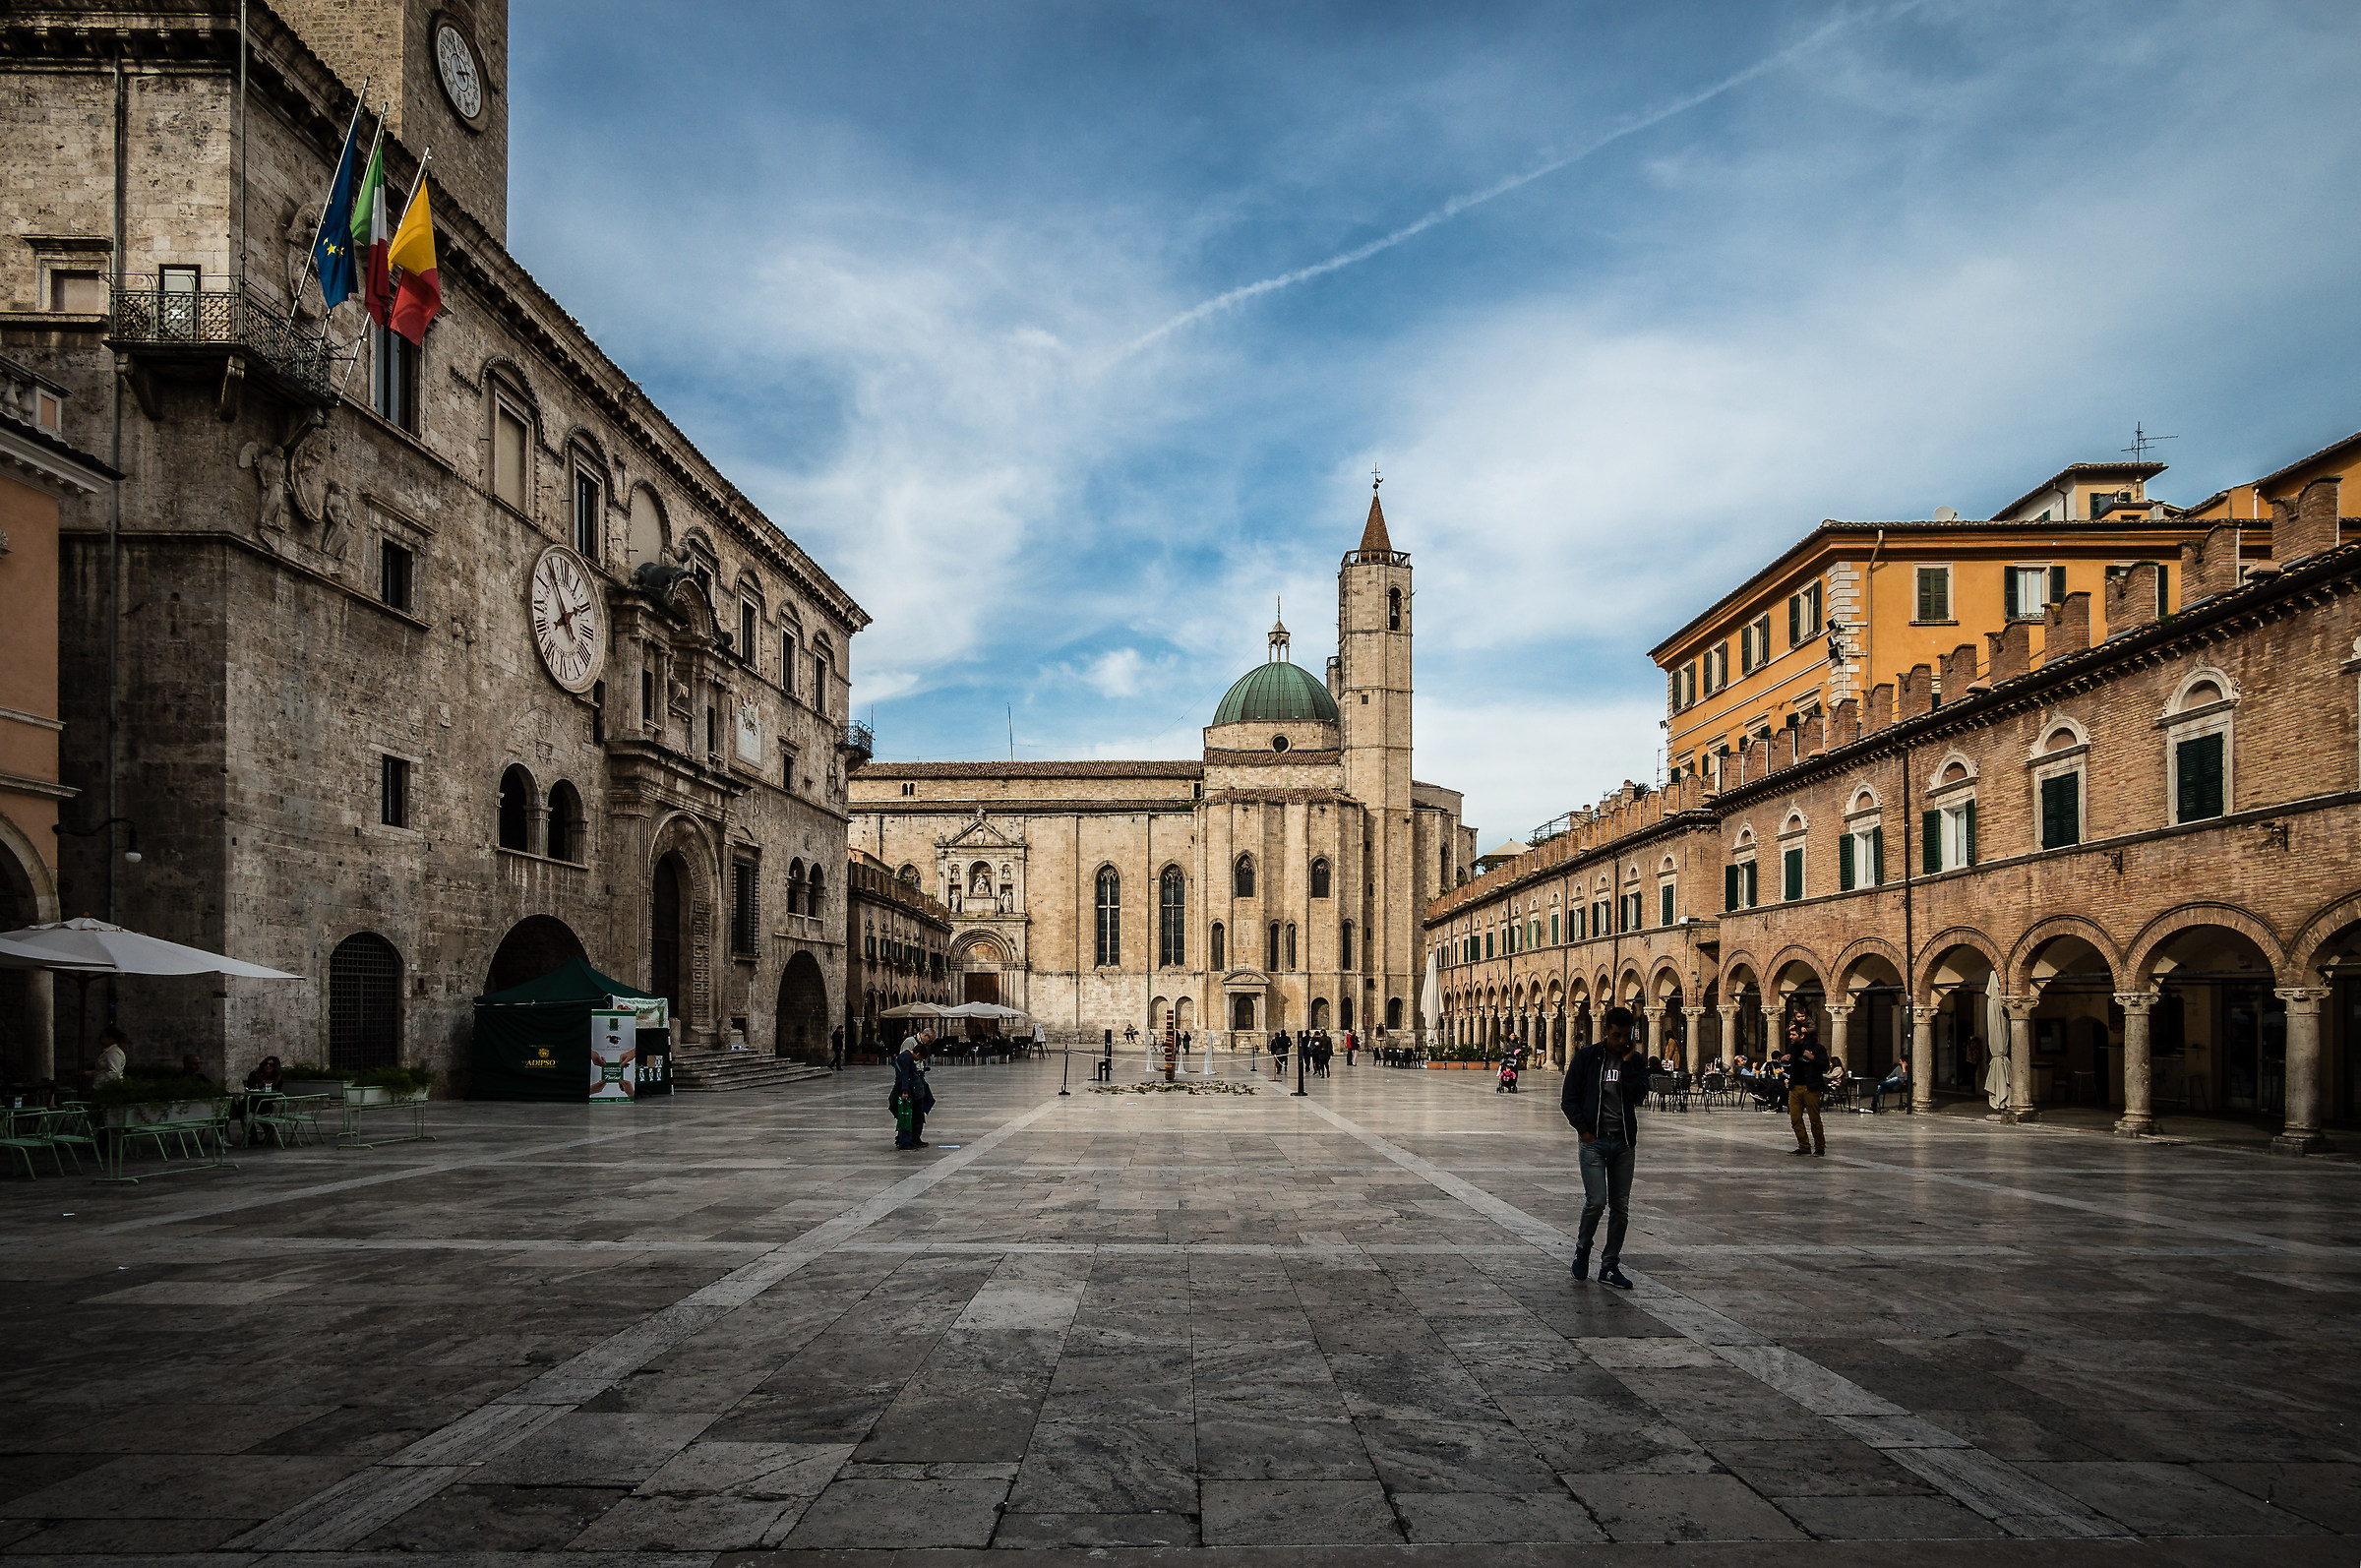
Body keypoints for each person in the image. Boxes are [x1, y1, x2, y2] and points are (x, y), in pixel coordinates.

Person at [1562, 1006, 1647, 1289]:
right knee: (1596, 1201)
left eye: (1626, 1036)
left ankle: (1610, 1265)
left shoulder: (1634, 1061)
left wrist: (1628, 1065)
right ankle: (1583, 1248)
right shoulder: (1587, 1057)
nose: (1622, 1040)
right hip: (1594, 1142)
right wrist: (1584, 1131)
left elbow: (1638, 1096)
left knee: (1620, 1206)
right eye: (1616, 1035)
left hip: (1623, 1142)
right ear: (1606, 1030)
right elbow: (1568, 1098)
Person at [1778, 1023, 1830, 1156]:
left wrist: (1813, 1058)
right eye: (1790, 1034)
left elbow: (1825, 1066)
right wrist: (1783, 1060)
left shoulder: (1816, 1048)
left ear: (1802, 1036)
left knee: (1814, 1119)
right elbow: (1790, 1067)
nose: (1790, 1037)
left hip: (1810, 1087)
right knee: (1795, 1119)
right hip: (1794, 1087)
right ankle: (1804, 1146)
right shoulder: (1792, 1048)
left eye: (1793, 1034)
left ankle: (1820, 1147)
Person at [891, 1033, 936, 1149]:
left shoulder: (906, 1056)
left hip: (909, 1088)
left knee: (911, 1114)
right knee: (907, 1115)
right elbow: (905, 1075)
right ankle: (905, 1141)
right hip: (907, 1089)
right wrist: (905, 1091)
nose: (918, 1060)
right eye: (920, 1058)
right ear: (918, 1054)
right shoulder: (908, 1058)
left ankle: (911, 1139)